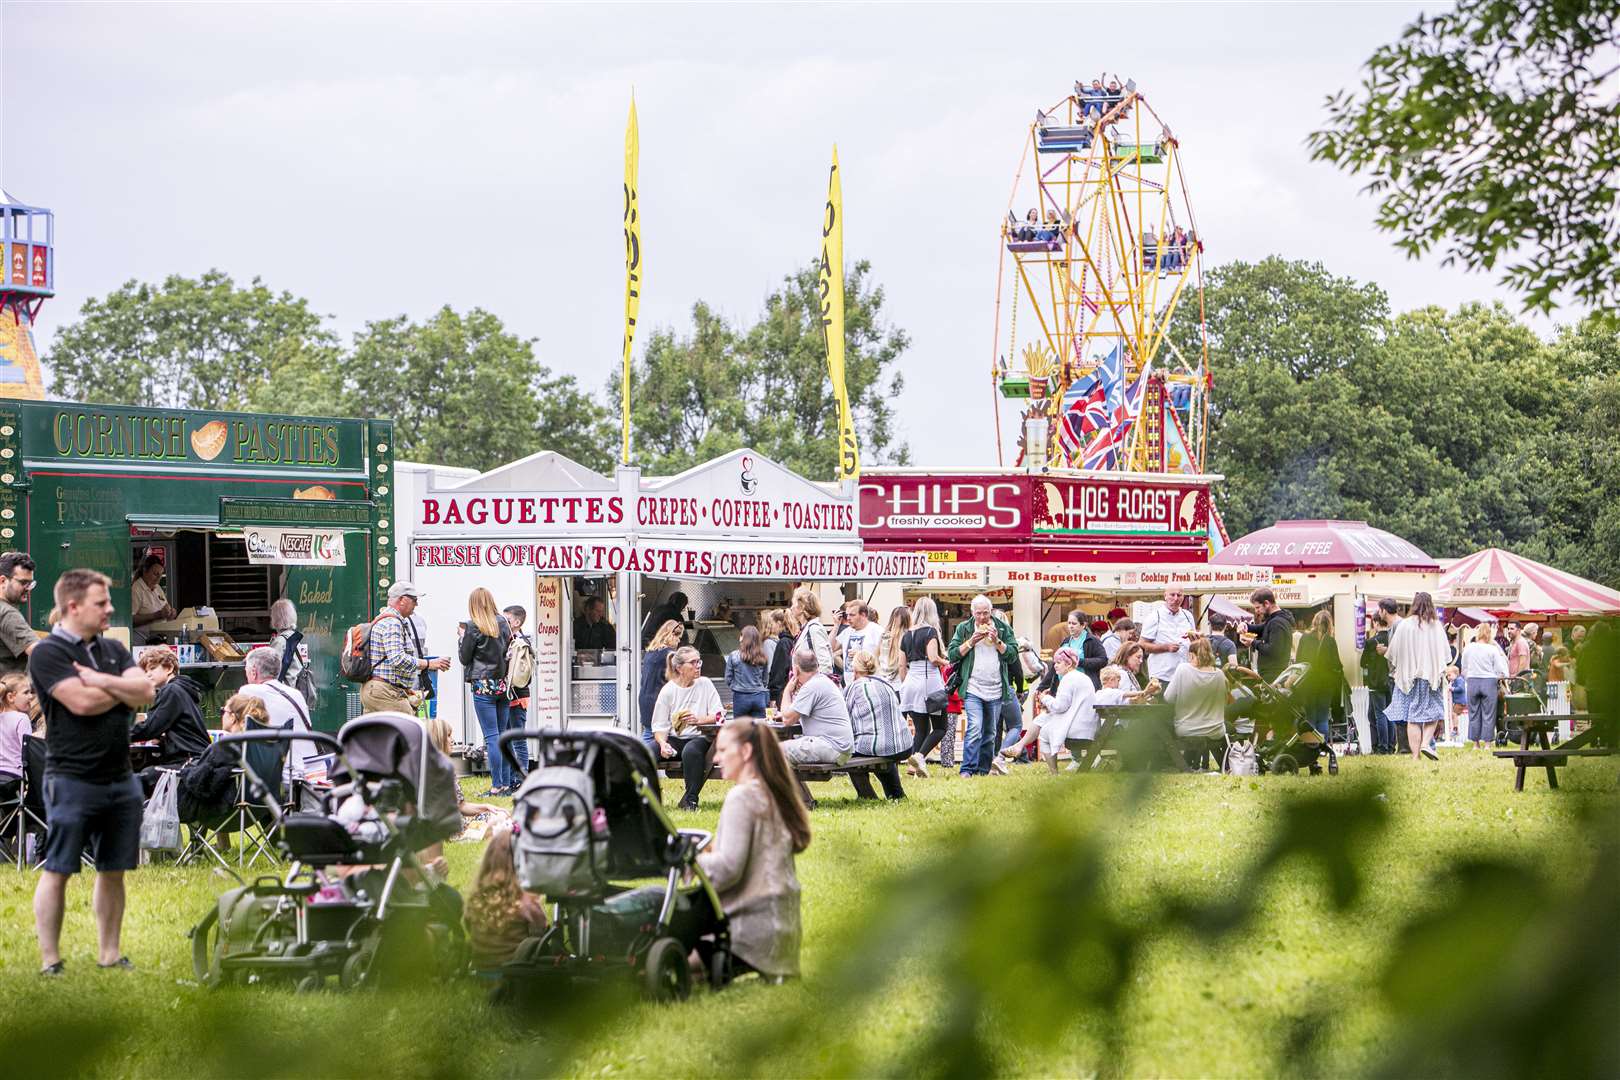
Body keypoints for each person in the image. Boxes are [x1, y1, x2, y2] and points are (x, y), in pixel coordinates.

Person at [29, 568, 155, 975]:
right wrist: (121, 690)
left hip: (121, 779)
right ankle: (51, 960)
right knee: (59, 868)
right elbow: (80, 703)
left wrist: (101, 680)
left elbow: (147, 691)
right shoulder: (48, 654)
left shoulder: (112, 650)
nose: (110, 609)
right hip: (70, 778)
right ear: (73, 606)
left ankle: (110, 955)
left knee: (113, 869)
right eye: (101, 603)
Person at [698, 717, 810, 981]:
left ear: (746, 752)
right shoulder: (772, 792)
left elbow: (727, 871)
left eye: (724, 750)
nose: (716, 758)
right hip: (782, 932)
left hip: (749, 932)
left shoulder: (742, 797)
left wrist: (691, 859)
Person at [945, 595, 1020, 778]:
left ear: (991, 611)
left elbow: (1012, 655)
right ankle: (967, 769)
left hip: (995, 688)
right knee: (974, 727)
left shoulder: (1002, 627)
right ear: (972, 613)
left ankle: (983, 769)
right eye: (978, 613)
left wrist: (997, 642)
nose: (982, 618)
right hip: (973, 688)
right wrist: (971, 642)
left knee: (990, 732)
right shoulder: (964, 628)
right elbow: (952, 654)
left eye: (985, 613)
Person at [464, 827, 548, 975]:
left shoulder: (476, 898)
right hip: (515, 974)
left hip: (481, 972)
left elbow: (468, 925)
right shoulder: (526, 903)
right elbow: (541, 936)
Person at [651, 646, 725, 811]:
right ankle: (648, 799)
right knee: (647, 751)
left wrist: (699, 720)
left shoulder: (705, 684)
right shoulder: (668, 691)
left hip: (700, 737)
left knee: (691, 751)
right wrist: (663, 744)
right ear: (679, 668)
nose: (698, 666)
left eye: (699, 661)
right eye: (693, 662)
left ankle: (690, 801)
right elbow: (659, 726)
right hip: (674, 739)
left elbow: (719, 715)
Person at [361, 582, 449, 714]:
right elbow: (398, 659)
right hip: (386, 692)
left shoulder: (384, 619)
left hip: (376, 690)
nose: (417, 604)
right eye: (414, 600)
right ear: (402, 600)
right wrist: (429, 664)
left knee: (376, 733)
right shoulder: (392, 623)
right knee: (409, 729)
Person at [236, 645, 319, 785]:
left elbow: (236, 728)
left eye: (247, 671)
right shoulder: (295, 694)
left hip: (282, 774)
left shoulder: (249, 691)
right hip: (310, 772)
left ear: (254, 672)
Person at [459, 588, 515, 797]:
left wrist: (460, 639)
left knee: (491, 737)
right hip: (502, 684)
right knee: (503, 735)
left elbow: (465, 658)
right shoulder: (503, 622)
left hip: (483, 686)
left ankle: (497, 786)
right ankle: (507, 785)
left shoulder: (473, 626)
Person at [1005, 646, 1096, 772]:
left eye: (1058, 663)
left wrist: (1044, 698)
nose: (1055, 666)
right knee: (1042, 718)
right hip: (1085, 723)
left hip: (1078, 728)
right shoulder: (1080, 677)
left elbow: (1060, 706)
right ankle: (1019, 746)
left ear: (1068, 664)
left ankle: (1054, 772)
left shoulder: (1068, 679)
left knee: (1044, 734)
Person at [130, 646, 210, 779]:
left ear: (169, 668)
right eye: (145, 671)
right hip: (197, 760)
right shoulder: (182, 689)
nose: (148, 674)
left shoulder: (172, 690)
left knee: (141, 778)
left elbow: (150, 728)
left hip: (188, 762)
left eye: (153, 668)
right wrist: (164, 740)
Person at [1388, 592, 1448, 762]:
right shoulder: (1436, 626)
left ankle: (1415, 756)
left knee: (1412, 717)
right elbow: (1445, 654)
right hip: (1430, 677)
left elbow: (1394, 652)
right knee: (1435, 713)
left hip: (1409, 678)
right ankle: (1426, 743)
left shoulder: (1405, 625)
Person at [842, 652, 907, 799]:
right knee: (882, 745)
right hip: (902, 744)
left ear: (855, 670)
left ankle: (867, 796)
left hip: (878, 746)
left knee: (847, 751)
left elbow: (844, 718)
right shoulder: (886, 683)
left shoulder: (853, 687)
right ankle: (896, 794)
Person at [778, 649, 855, 767]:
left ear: (796, 669)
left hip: (832, 746)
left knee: (775, 751)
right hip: (841, 746)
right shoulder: (822, 681)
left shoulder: (811, 687)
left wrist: (787, 691)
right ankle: (790, 785)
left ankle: (782, 785)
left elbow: (787, 720)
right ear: (816, 666)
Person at [899, 597, 948, 778]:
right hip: (930, 684)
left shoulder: (907, 635)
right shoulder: (930, 632)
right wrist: (946, 661)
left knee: (921, 729)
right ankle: (919, 756)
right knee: (941, 727)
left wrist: (905, 684)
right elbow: (933, 658)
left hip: (911, 682)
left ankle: (913, 766)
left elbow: (901, 665)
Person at [1164, 637, 1228, 771]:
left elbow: (1168, 698)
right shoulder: (1220, 675)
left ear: (1191, 654)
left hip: (1188, 728)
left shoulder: (1183, 669)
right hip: (1215, 729)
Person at [1294, 611, 1345, 739]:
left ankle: (1311, 747)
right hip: (1326, 686)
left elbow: (1299, 661)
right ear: (1329, 624)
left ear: (1314, 622)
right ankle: (1323, 748)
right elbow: (1337, 665)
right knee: (1323, 718)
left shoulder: (1305, 638)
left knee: (1310, 717)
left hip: (1308, 685)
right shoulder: (1330, 641)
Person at [1460, 622, 1509, 748]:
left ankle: (1476, 744)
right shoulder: (1492, 649)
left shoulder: (1469, 648)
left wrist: (1468, 677)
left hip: (1472, 681)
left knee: (1474, 713)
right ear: (1489, 634)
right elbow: (1500, 669)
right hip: (1489, 682)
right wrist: (1500, 677)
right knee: (1489, 714)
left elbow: (1464, 667)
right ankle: (1487, 744)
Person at [640, 619, 685, 751]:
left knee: (649, 732)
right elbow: (675, 681)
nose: (679, 641)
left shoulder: (651, 652)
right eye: (679, 638)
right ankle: (640, 763)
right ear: (673, 635)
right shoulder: (670, 655)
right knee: (652, 735)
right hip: (657, 700)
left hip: (645, 698)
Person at [501, 605, 532, 781]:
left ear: (517, 622)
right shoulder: (507, 638)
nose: (503, 623)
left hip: (518, 695)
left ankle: (522, 779)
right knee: (507, 738)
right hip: (507, 695)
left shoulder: (521, 643)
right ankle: (511, 777)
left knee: (518, 739)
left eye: (507, 620)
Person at [1240, 588, 1295, 683]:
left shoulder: (1277, 623)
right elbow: (1260, 628)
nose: (1256, 611)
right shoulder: (1274, 620)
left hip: (1273, 676)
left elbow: (1274, 650)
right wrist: (1245, 626)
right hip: (1274, 674)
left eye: (1258, 607)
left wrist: (1253, 642)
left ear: (1266, 603)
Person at [1361, 607, 1395, 754]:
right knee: (1388, 714)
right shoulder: (1391, 639)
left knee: (1380, 714)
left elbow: (1363, 663)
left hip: (1376, 682)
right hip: (1390, 680)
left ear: (1375, 622)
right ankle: (1390, 745)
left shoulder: (1370, 642)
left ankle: (1382, 746)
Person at [0, 551, 39, 676]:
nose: (28, 588)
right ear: (3, 581)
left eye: (30, 583)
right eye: (23, 583)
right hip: (10, 691)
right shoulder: (8, 613)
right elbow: (41, 652)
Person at [129, 554, 178, 643]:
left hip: (160, 640)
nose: (158, 579)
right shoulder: (136, 589)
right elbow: (130, 619)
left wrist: (170, 614)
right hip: (142, 641)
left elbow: (164, 609)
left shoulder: (158, 588)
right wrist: (156, 615)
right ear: (145, 571)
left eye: (160, 575)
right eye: (155, 574)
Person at [725, 626, 771, 719]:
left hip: (740, 697)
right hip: (759, 697)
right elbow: (765, 680)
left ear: (742, 638)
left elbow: (728, 679)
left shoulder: (734, 656)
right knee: (759, 729)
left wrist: (736, 687)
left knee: (741, 730)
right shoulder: (763, 657)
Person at [0, 673, 33, 803]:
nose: (31, 697)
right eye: (26, 693)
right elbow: (29, 753)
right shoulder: (21, 718)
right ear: (11, 697)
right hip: (13, 779)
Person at [1060, 609, 1108, 688]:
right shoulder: (1066, 641)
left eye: (1074, 623)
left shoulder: (1092, 640)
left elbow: (1103, 660)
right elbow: (1056, 665)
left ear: (1083, 625)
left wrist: (1079, 661)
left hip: (1085, 685)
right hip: (1065, 685)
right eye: (1069, 623)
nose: (1070, 626)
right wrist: (1042, 687)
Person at [765, 609, 797, 708]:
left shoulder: (783, 643)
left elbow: (779, 672)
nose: (771, 626)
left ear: (779, 623)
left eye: (772, 623)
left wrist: (773, 697)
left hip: (782, 694)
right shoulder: (794, 640)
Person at [876, 606, 910, 682]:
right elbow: (902, 664)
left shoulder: (884, 635)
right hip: (899, 680)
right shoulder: (907, 636)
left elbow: (877, 656)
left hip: (883, 679)